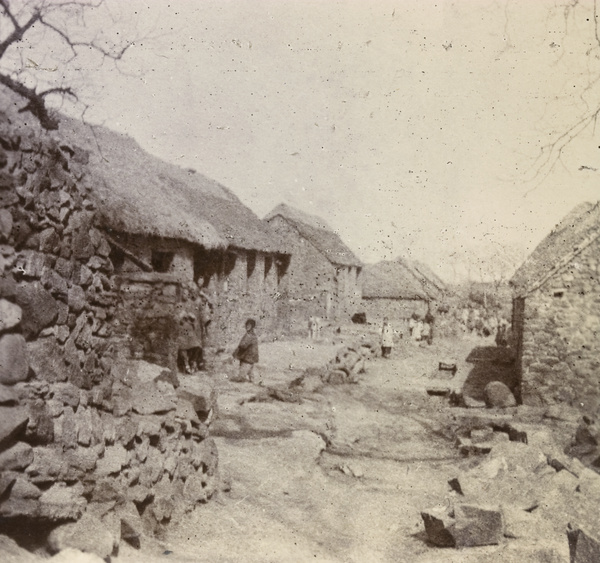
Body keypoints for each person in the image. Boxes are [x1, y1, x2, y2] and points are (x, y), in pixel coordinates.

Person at [233, 318, 259, 382]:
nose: (247, 327)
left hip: (247, 358)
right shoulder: (251, 335)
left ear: (252, 327)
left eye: (249, 325)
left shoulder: (250, 335)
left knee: (241, 377)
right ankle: (252, 381)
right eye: (247, 325)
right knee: (250, 373)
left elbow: (243, 345)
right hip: (249, 357)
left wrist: (238, 348)